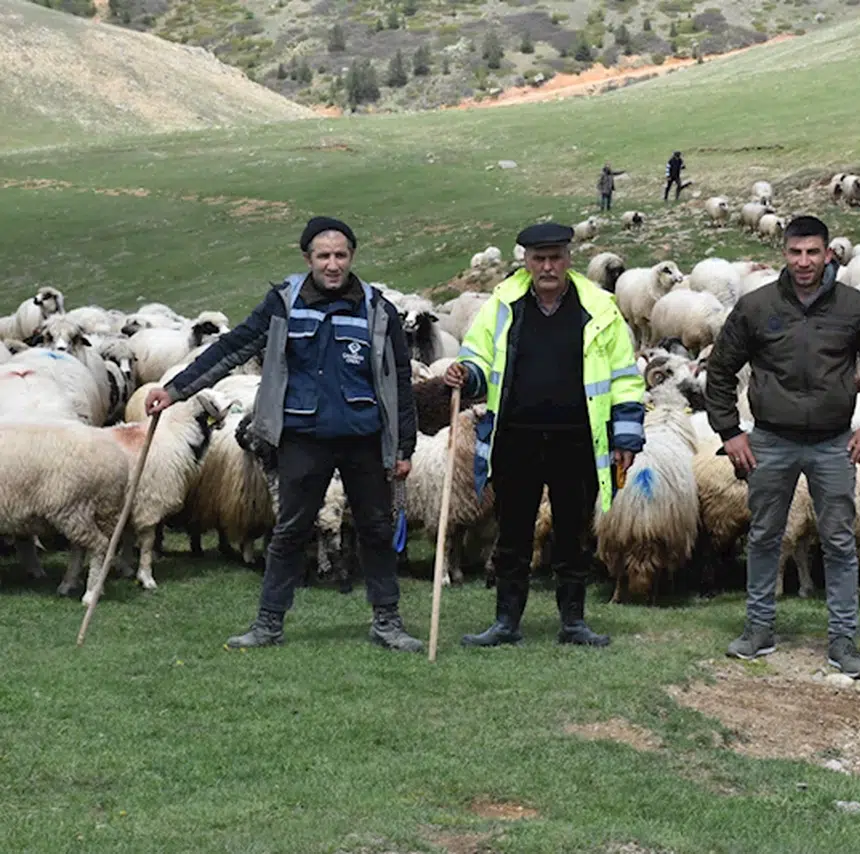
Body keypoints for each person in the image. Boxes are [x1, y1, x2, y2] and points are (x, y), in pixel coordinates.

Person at [145, 216, 422, 652]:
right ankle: (268, 623)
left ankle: (387, 621)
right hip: (302, 437)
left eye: (341, 255)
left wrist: (404, 444)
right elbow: (234, 346)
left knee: (375, 528)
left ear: (352, 256)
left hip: (363, 438)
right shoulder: (283, 303)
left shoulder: (377, 309)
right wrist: (177, 389)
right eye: (323, 256)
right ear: (307, 258)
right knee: (290, 530)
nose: (333, 265)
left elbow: (400, 380)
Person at [703, 215, 860, 678]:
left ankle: (842, 639)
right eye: (796, 252)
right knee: (765, 534)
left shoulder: (855, 308)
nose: (804, 261)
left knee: (838, 538)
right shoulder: (757, 307)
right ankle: (758, 628)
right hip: (771, 439)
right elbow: (720, 372)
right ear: (785, 254)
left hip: (835, 442)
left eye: (813, 252)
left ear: (828, 253)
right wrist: (730, 432)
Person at [443, 222, 646, 648]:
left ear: (569, 258)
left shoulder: (599, 307)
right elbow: (477, 354)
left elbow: (625, 377)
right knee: (513, 531)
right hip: (516, 437)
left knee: (573, 532)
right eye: (539, 259)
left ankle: (573, 621)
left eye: (556, 257)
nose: (548, 266)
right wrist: (468, 372)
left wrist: (626, 438)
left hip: (578, 439)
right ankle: (506, 622)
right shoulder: (503, 304)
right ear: (526, 261)